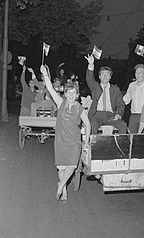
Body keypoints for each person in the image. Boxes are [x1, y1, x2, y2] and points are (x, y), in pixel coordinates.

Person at [40, 64, 90, 202]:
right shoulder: (60, 102)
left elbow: (87, 123)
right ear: (66, 94)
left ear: (77, 94)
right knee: (62, 167)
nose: (71, 95)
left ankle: (60, 185)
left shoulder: (80, 108)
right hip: (61, 140)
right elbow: (50, 88)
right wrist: (45, 74)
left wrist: (86, 140)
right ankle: (64, 192)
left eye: (74, 93)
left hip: (74, 141)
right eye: (69, 93)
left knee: (72, 165)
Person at [84, 54, 127, 134]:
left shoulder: (115, 89)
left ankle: (121, 146)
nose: (105, 76)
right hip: (97, 114)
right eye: (102, 74)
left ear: (110, 77)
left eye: (107, 74)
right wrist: (91, 64)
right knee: (93, 125)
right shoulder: (95, 86)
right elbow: (89, 79)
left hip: (111, 115)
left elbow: (121, 104)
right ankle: (92, 145)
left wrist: (119, 114)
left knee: (123, 125)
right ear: (99, 76)